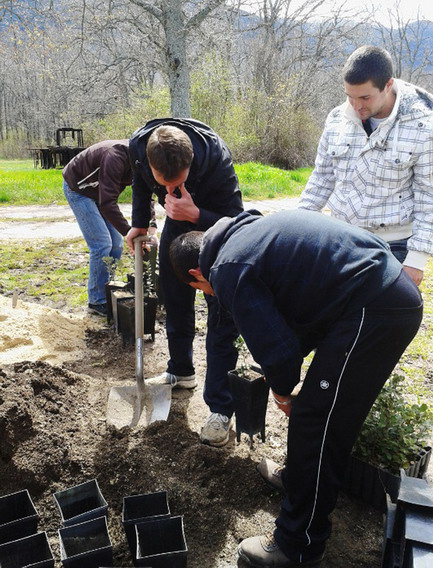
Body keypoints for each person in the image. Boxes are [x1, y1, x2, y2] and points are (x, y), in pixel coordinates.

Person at [168, 209, 423, 567]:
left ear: (197, 274)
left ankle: (298, 544)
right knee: (315, 408)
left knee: (316, 421)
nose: (209, 294)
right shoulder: (246, 234)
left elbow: (274, 344)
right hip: (372, 297)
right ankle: (299, 479)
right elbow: (296, 314)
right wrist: (288, 380)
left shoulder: (228, 267)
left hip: (375, 308)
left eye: (200, 290)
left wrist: (283, 389)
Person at [126, 118, 244, 446]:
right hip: (176, 226)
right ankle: (181, 371)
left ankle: (221, 409)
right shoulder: (139, 147)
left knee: (221, 315)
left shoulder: (217, 160)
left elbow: (238, 221)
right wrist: (140, 223)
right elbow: (138, 182)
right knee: (174, 298)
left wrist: (194, 214)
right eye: (162, 184)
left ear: (191, 164)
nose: (168, 190)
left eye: (176, 182)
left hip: (214, 231)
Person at [298, 45, 433, 287]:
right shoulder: (337, 119)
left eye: (365, 97)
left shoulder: (424, 125)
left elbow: (429, 196)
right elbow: (321, 179)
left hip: (393, 247)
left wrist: (416, 259)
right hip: (340, 240)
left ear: (388, 85)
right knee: (333, 317)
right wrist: (294, 229)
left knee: (384, 322)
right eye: (349, 96)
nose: (356, 105)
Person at [62, 140, 149, 316]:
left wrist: (149, 225)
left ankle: (107, 288)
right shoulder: (115, 157)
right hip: (79, 189)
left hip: (100, 192)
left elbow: (144, 195)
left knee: (116, 244)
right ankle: (96, 300)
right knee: (102, 244)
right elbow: (108, 204)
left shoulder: (143, 163)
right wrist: (129, 232)